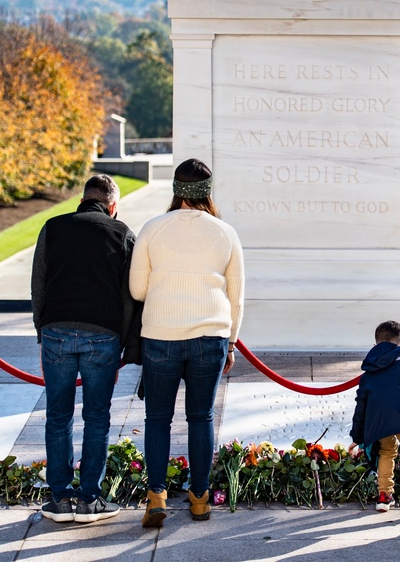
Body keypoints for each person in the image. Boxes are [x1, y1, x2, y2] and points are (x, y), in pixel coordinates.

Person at [130, 158, 244, 528]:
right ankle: (198, 499)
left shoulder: (153, 228)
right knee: (200, 418)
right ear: (207, 193)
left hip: (161, 334)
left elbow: (137, 289)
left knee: (158, 419)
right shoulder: (225, 233)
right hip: (209, 336)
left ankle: (157, 496)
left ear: (176, 190)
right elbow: (237, 296)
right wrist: (231, 343)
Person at [31, 174, 136, 523]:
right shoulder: (122, 234)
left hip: (57, 330)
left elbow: (39, 285)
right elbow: (128, 296)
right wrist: (121, 340)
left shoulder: (52, 227)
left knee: (57, 416)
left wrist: (41, 330)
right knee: (96, 418)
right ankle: (90, 498)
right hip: (102, 334)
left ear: (83, 199)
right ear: (113, 206)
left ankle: (59, 499)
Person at [350, 320, 400, 518]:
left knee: (386, 453)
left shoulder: (369, 371)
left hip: (380, 421)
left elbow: (361, 405)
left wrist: (357, 435)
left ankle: (384, 497)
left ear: (375, 345)